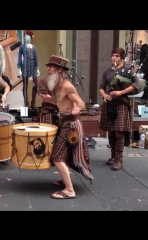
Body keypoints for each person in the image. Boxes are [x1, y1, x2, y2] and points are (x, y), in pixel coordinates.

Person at [39, 55, 93, 199]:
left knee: (56, 157)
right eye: (48, 66)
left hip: (71, 124)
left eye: (51, 66)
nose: (48, 69)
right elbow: (59, 101)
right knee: (65, 155)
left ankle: (69, 190)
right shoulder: (56, 85)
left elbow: (80, 103)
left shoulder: (67, 86)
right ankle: (65, 181)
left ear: (60, 69)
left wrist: (76, 108)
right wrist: (48, 99)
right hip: (64, 122)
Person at [99, 47, 141, 171]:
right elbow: (101, 87)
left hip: (121, 102)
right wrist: (104, 95)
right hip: (109, 103)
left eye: (117, 56)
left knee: (119, 131)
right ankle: (113, 155)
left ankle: (119, 159)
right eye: (113, 55)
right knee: (111, 131)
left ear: (122, 58)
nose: (114, 58)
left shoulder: (128, 70)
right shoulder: (107, 72)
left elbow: (136, 85)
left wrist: (120, 92)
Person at [18, 31, 40, 109]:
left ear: (31, 38)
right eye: (25, 36)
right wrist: (19, 68)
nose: (26, 37)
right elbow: (20, 58)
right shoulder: (22, 47)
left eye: (28, 36)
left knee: (35, 84)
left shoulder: (34, 47)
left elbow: (36, 58)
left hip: (33, 66)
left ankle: (33, 103)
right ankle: (26, 103)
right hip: (25, 66)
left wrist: (37, 68)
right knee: (25, 85)